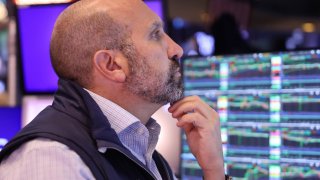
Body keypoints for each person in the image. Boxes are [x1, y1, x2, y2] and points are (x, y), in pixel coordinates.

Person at [0, 0, 226, 179]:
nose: (177, 49)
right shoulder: (50, 162)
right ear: (112, 65)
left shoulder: (140, 153)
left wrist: (213, 170)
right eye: (155, 35)